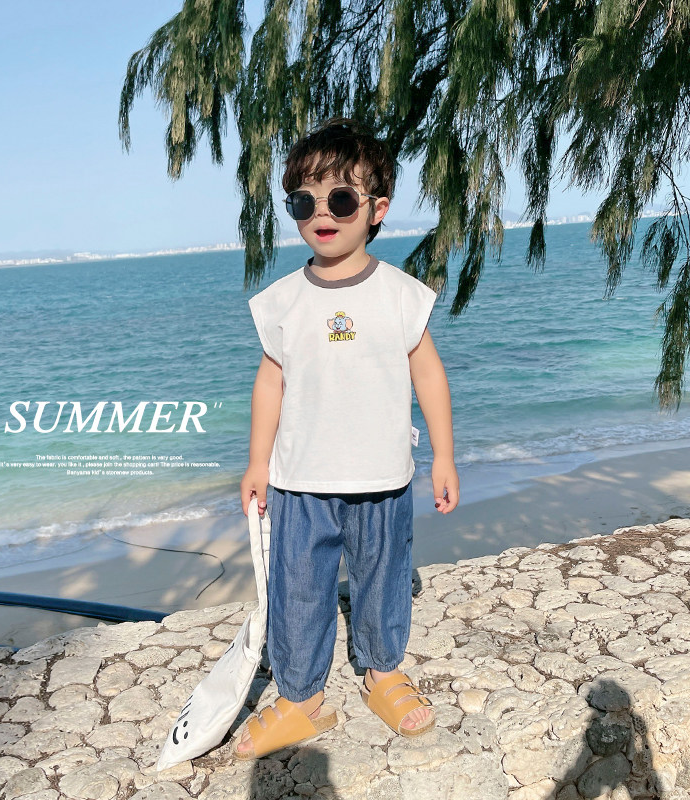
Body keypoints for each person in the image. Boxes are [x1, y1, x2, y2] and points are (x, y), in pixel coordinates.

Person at [235, 117, 459, 760]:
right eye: (304, 202)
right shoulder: (282, 300)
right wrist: (256, 462)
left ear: (376, 209)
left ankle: (383, 672)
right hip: (300, 478)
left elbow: (428, 374)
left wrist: (444, 456)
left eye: (340, 199)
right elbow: (271, 384)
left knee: (383, 576)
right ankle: (300, 697)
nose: (322, 215)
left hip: (382, 474)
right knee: (299, 588)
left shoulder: (400, 295)